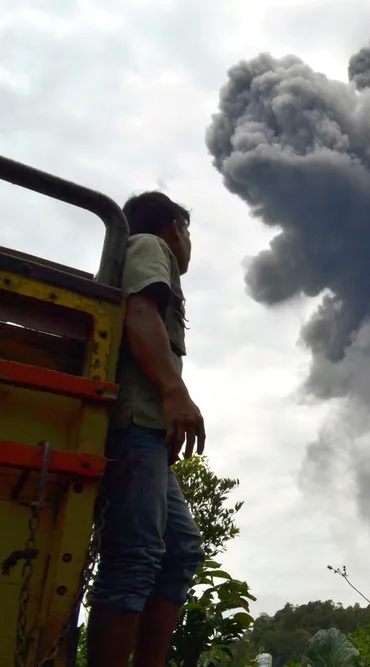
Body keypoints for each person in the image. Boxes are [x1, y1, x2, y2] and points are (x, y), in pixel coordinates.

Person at [86, 191, 207, 667]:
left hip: (149, 431)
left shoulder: (144, 253)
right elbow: (139, 313)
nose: (189, 243)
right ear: (174, 228)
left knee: (179, 551)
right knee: (135, 555)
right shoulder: (148, 248)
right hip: (135, 421)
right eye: (188, 232)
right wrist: (174, 392)